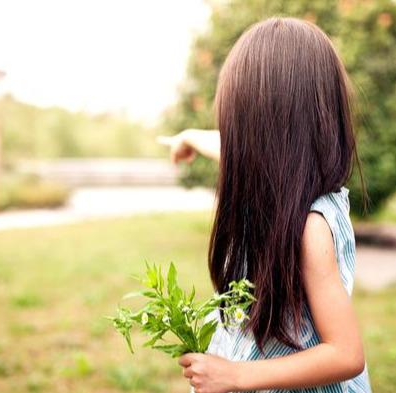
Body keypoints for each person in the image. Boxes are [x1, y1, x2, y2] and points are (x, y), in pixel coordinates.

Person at [159, 17, 371, 393]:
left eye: (239, 124)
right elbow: (231, 148)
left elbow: (346, 353)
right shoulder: (280, 180)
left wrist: (234, 376)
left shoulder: (311, 226)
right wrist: (189, 138)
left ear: (263, 132)